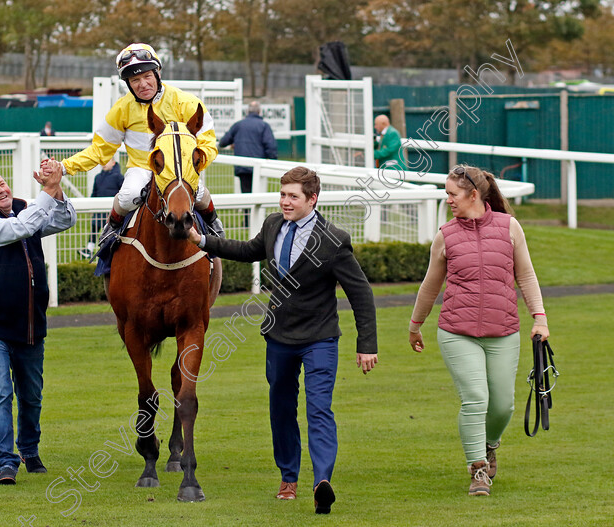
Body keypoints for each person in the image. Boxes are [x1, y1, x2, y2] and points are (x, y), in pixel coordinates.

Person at [187, 166, 378, 514]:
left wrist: (367, 344)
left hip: (320, 339)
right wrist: (202, 241)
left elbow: (361, 293)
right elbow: (247, 250)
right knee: (281, 410)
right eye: (283, 195)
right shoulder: (274, 224)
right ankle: (288, 478)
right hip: (278, 338)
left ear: (312, 199)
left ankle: (322, 483)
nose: (285, 202)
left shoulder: (334, 239)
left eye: (293, 196)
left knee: (319, 409)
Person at [408, 164, 549, 497]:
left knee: (503, 406)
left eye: (452, 195)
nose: (448, 201)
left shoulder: (510, 227)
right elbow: (430, 285)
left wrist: (539, 318)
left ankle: (489, 444)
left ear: (473, 194)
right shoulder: (446, 234)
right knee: (475, 399)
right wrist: (416, 325)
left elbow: (526, 276)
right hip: (457, 330)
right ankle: (478, 469)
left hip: (504, 330)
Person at [0, 162, 76, 485]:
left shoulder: (26, 210)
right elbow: (24, 227)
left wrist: (56, 188)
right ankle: (6, 462)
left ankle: (29, 449)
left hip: (29, 325)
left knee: (32, 395)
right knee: (0, 392)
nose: (2, 190)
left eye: (2, 184)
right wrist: (48, 189)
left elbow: (65, 220)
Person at [48, 43, 224, 244]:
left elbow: (208, 143)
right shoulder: (122, 109)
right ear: (128, 84)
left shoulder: (186, 102)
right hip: (141, 168)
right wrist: (63, 167)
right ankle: (110, 230)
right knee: (129, 195)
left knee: (200, 193)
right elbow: (99, 150)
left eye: (147, 76)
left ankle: (214, 226)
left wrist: (192, 167)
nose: (143, 84)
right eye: (135, 79)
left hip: (179, 170)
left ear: (157, 73)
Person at [219, 100, 278, 193]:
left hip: (243, 165)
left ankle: (246, 208)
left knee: (246, 194)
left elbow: (223, 142)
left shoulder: (238, 125)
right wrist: (272, 161)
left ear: (247, 111)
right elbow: (270, 146)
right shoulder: (264, 126)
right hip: (259, 165)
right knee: (258, 194)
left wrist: (235, 143)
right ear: (259, 111)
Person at [79, 158, 124, 258]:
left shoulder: (118, 177)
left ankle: (108, 250)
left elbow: (122, 193)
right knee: (94, 228)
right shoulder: (98, 177)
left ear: (113, 163)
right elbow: (94, 193)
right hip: (99, 211)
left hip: (111, 211)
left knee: (108, 231)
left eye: (107, 161)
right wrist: (91, 207)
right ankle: (89, 250)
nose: (104, 163)